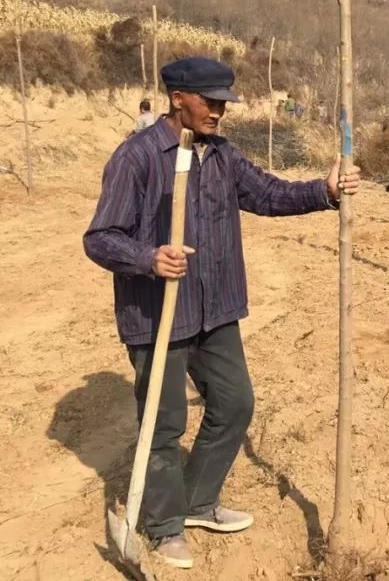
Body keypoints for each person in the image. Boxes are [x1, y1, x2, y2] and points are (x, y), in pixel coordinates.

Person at [83, 57, 360, 570]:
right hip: (157, 313)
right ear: (177, 99)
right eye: (209, 102)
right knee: (163, 425)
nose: (218, 112)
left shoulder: (223, 155)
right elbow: (100, 239)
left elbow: (270, 194)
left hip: (215, 311)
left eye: (223, 104)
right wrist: (148, 258)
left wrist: (323, 190)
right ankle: (164, 527)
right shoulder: (137, 158)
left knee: (235, 405)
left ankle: (197, 502)